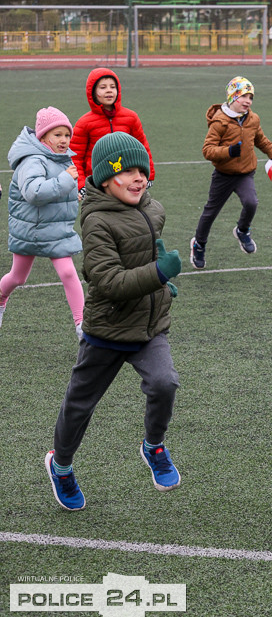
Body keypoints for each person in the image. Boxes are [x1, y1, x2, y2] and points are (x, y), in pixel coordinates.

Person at [45, 132, 183, 511]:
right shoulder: (96, 222)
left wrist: (162, 284)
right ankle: (61, 466)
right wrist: (158, 273)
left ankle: (153, 446)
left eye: (143, 169)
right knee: (79, 405)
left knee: (164, 383)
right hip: (107, 330)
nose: (139, 177)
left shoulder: (153, 209)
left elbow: (148, 254)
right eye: (129, 171)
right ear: (106, 179)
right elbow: (108, 281)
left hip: (149, 327)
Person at [1, 107, 84, 337]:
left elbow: (57, 190)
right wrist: (66, 181)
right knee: (18, 277)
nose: (64, 140)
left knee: (68, 272)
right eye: (57, 135)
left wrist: (71, 193)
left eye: (67, 135)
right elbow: (35, 193)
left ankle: (82, 327)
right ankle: (0, 298)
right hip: (29, 230)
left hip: (55, 232)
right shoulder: (32, 160)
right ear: (43, 136)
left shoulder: (60, 159)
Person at [190, 76, 272, 269]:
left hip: (245, 174)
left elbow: (261, 140)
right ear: (232, 97)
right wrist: (228, 152)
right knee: (210, 212)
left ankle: (242, 230)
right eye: (244, 96)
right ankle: (199, 244)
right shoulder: (219, 122)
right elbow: (207, 150)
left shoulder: (253, 119)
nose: (248, 101)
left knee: (251, 202)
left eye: (251, 97)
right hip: (223, 175)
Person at [70, 68, 155, 195]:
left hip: (126, 182)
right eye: (103, 87)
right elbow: (74, 156)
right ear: (92, 93)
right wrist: (81, 184)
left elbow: (143, 148)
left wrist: (148, 175)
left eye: (113, 86)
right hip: (98, 183)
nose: (109, 90)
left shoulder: (131, 117)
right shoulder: (84, 122)